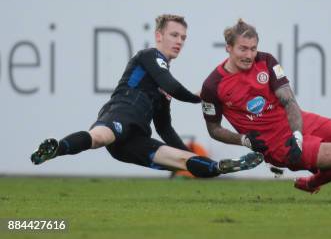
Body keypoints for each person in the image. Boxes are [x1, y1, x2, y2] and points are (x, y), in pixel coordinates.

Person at [31, 14, 263, 178]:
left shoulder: (163, 79)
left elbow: (164, 127)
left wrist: (187, 153)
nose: (179, 41)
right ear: (159, 35)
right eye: (174, 35)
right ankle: (57, 148)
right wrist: (199, 97)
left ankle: (222, 166)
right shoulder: (150, 56)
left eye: (183, 37)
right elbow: (171, 85)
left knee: (183, 161)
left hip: (135, 139)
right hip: (119, 115)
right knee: (99, 137)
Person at [200, 19, 331, 193]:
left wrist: (297, 135)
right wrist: (243, 140)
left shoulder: (266, 61)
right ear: (228, 47)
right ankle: (314, 180)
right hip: (277, 143)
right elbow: (214, 129)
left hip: (298, 122)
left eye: (253, 48)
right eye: (243, 49)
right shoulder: (213, 86)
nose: (249, 55)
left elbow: (288, 100)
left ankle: (323, 175)